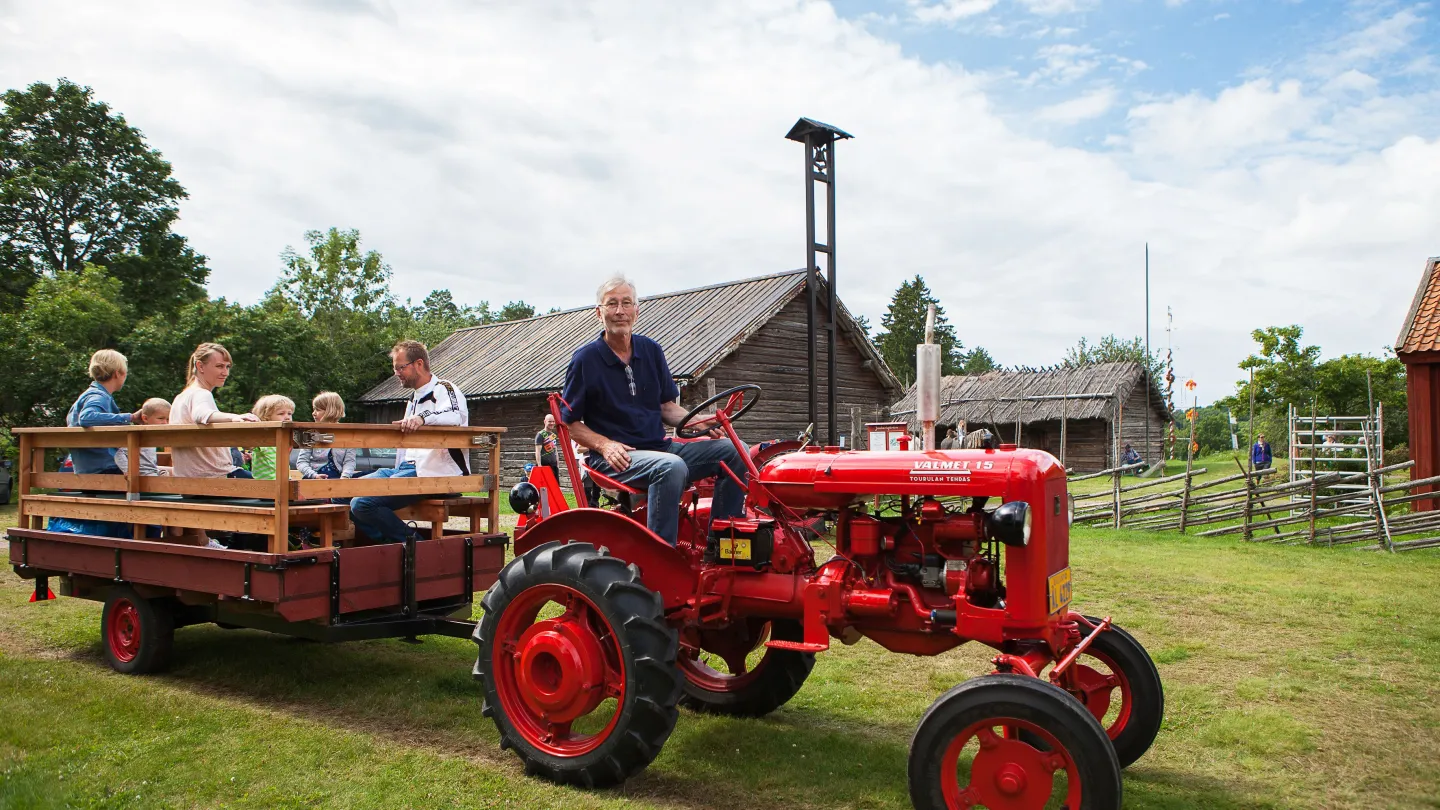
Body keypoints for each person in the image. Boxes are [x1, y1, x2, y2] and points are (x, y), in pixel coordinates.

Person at [560, 274, 747, 547]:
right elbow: (571, 423)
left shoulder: (651, 351)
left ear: (637, 310)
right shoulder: (585, 359)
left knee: (735, 450)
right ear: (598, 313)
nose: (620, 311)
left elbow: (666, 407)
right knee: (669, 467)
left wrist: (697, 422)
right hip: (616, 458)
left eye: (627, 303)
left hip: (659, 447)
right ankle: (662, 558)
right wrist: (605, 445)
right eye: (612, 304)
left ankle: (722, 546)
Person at [350, 340, 468, 544]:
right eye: (395, 368)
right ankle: (389, 544)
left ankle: (415, 545)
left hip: (432, 471)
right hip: (405, 469)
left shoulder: (445, 389)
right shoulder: (413, 399)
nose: (396, 373)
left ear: (419, 364)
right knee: (342, 492)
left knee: (362, 504)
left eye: (400, 367)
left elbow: (455, 416)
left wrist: (422, 418)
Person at [170, 343, 259, 548]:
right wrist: (236, 418)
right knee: (277, 496)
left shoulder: (181, 396)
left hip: (188, 481)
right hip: (214, 478)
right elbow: (203, 415)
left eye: (227, 367)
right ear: (200, 367)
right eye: (219, 366)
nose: (225, 372)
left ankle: (219, 546)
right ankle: (244, 556)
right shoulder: (201, 394)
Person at [66, 349, 142, 474]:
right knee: (170, 477)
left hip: (86, 470)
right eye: (125, 373)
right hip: (103, 470)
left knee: (164, 472)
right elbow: (86, 417)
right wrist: (131, 417)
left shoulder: (87, 395)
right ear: (117, 374)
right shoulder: (98, 396)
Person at [296, 392, 357, 480]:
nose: (313, 413)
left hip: (338, 476)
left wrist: (345, 477)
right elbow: (301, 462)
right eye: (314, 409)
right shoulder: (309, 433)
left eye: (317, 410)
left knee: (377, 473)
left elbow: (350, 461)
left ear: (330, 411)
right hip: (315, 476)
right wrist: (314, 475)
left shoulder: (347, 434)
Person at [114, 398, 172, 477]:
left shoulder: (152, 435)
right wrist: (127, 470)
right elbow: (119, 453)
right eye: (161, 418)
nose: (165, 423)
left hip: (152, 471)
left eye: (168, 419)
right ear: (145, 418)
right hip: (142, 473)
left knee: (170, 475)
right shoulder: (139, 435)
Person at [248, 395, 296, 480]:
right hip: (266, 483)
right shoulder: (263, 436)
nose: (287, 417)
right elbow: (247, 445)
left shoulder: (285, 437)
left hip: (284, 480)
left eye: (289, 413)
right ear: (265, 417)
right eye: (281, 413)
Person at [535, 414, 561, 483]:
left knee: (555, 485)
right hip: (544, 465)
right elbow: (537, 451)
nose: (552, 423)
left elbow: (555, 451)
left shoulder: (553, 435)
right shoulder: (540, 434)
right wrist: (539, 465)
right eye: (549, 421)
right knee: (545, 486)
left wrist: (558, 464)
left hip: (553, 465)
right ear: (545, 422)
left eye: (553, 421)